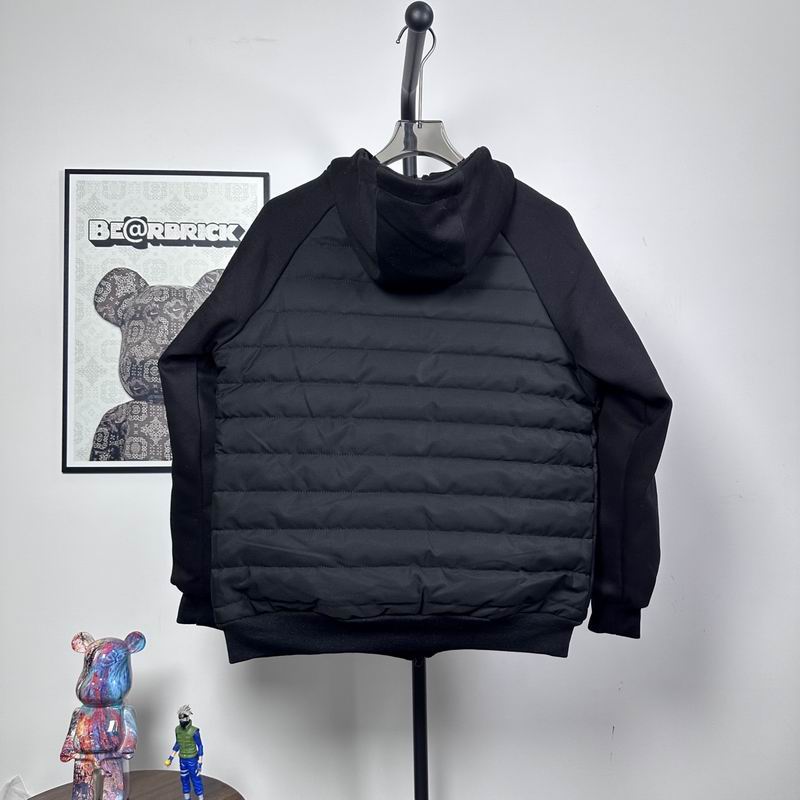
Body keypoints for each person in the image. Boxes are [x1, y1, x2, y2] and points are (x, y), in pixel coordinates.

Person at [164, 704, 204, 800]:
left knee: (195, 779)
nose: (182, 721)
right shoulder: (177, 729)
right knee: (184, 779)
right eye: (180, 719)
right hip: (182, 760)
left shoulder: (194, 731)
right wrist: (171, 758)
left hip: (192, 760)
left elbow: (200, 746)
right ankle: (187, 798)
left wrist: (200, 762)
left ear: (188, 717)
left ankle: (201, 798)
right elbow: (178, 743)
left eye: (184, 718)